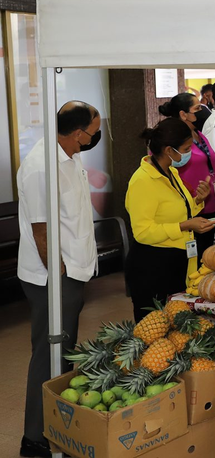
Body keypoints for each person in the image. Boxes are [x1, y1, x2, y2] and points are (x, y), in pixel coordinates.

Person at [18, 101, 100, 458]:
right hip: (52, 277)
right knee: (47, 355)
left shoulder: (71, 155)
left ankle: (60, 427)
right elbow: (41, 233)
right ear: (78, 133)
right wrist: (60, 278)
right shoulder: (41, 167)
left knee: (63, 356)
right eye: (94, 132)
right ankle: (34, 438)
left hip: (74, 270)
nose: (96, 137)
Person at [126, 118, 215, 321]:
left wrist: (198, 201)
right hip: (152, 266)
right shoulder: (143, 180)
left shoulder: (171, 172)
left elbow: (178, 211)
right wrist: (184, 226)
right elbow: (143, 232)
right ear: (169, 150)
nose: (189, 153)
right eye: (185, 148)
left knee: (178, 330)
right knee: (155, 331)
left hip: (177, 261)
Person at [158, 93, 215, 263]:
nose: (202, 111)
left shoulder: (199, 135)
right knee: (195, 263)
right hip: (191, 214)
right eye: (197, 109)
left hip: (210, 206)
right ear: (183, 114)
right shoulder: (175, 142)